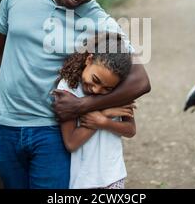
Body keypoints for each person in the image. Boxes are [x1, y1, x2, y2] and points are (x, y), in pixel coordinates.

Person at [0, 0, 151, 189]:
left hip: (52, 132)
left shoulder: (99, 21)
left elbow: (140, 81)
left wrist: (83, 106)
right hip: (7, 125)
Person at [58, 32, 136, 189]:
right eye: (95, 80)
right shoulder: (67, 89)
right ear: (89, 59)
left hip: (113, 175)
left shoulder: (119, 91)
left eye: (107, 88)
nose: (96, 90)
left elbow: (131, 130)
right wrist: (104, 114)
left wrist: (105, 123)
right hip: (82, 179)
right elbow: (71, 143)